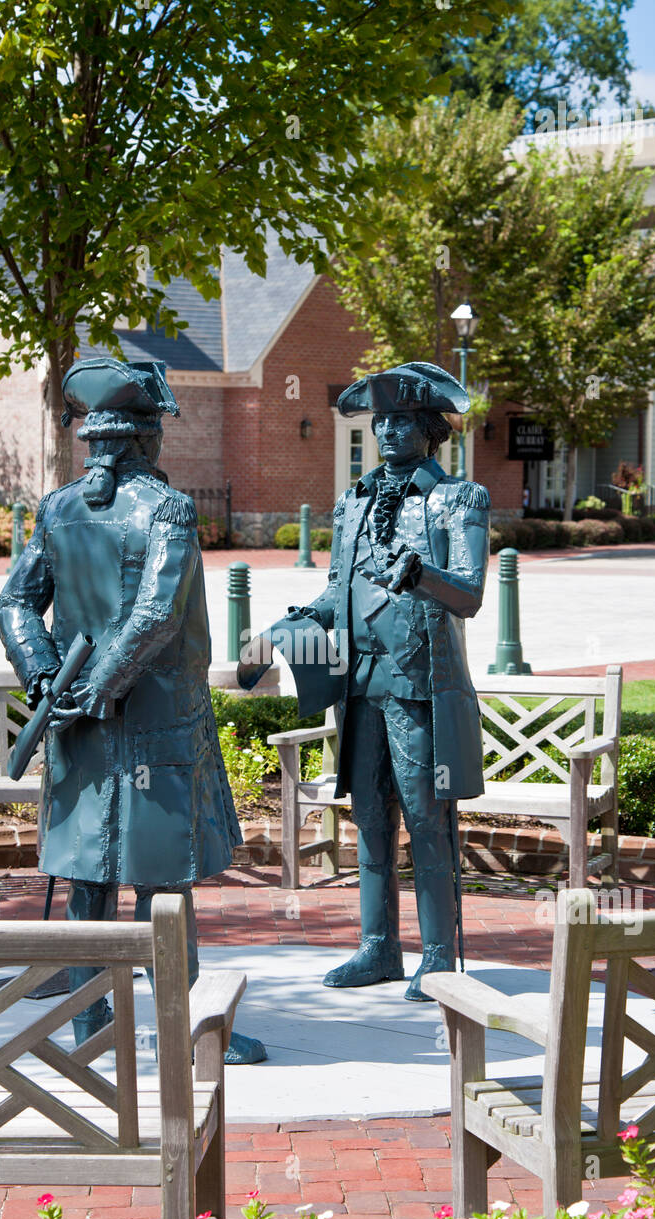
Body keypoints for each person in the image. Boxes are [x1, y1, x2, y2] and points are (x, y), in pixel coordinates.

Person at [0, 355, 265, 1062]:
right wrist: (85, 683)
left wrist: (46, 676)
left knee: (88, 876)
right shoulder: (169, 509)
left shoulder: (56, 509)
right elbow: (158, 616)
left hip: (78, 721)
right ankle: (189, 1031)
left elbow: (15, 606)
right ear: (148, 440)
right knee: (163, 878)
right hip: (155, 720)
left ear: (96, 441)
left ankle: (91, 1029)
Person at [257, 362, 490, 999]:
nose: (388, 432)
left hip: (423, 689)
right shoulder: (354, 501)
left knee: (427, 820)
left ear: (429, 429)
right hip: (360, 685)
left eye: (402, 421)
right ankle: (378, 947)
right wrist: (292, 623)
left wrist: (421, 576)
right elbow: (339, 593)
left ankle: (439, 954)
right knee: (369, 818)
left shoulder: (457, 500)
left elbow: (468, 595)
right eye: (380, 421)